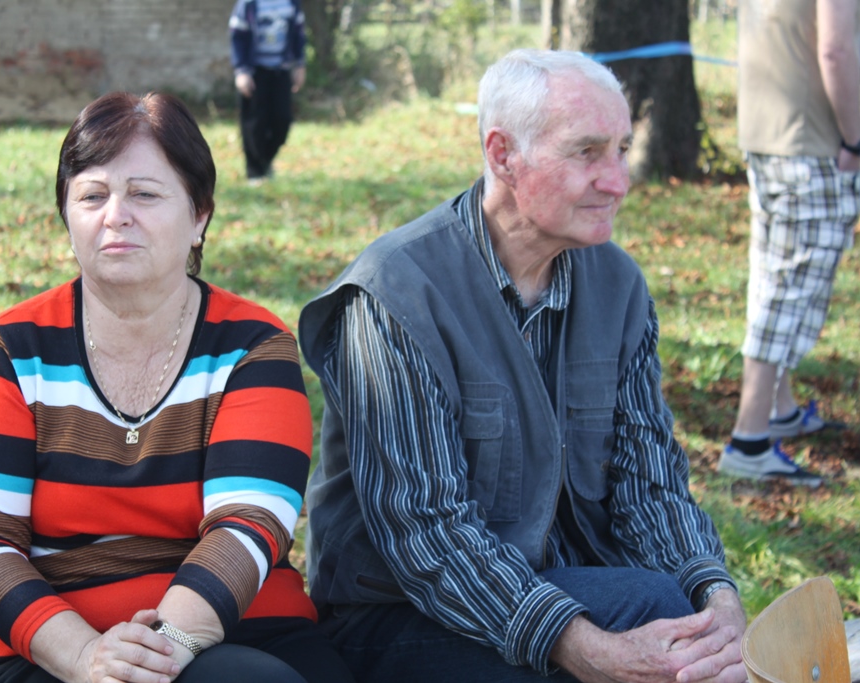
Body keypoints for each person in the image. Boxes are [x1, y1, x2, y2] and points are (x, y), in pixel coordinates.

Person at [298, 49, 747, 683]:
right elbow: (428, 536)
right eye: (587, 152)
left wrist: (715, 597)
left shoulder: (617, 285)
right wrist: (582, 646)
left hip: (567, 585)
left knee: (688, 627)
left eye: (621, 150)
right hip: (399, 617)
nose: (618, 181)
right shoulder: (395, 294)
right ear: (503, 154)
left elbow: (650, 485)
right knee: (652, 612)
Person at [0, 91, 354, 683]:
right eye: (92, 196)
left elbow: (250, 524)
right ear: (67, 217)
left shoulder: (254, 345)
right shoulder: (13, 347)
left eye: (144, 194)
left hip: (245, 632)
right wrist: (85, 657)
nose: (115, 215)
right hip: (51, 651)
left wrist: (155, 654)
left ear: (199, 215)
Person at [717, 0, 860, 487]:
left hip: (767, 132)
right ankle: (750, 439)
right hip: (815, 143)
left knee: (772, 280)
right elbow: (836, 50)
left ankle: (778, 411)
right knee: (790, 290)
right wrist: (856, 139)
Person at [229, 0, 307, 182]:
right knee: (254, 123)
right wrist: (241, 71)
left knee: (283, 120)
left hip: (281, 70)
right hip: (254, 72)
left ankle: (266, 161)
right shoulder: (248, 4)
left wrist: (300, 65)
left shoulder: (292, 3)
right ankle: (254, 171)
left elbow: (299, 34)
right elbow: (237, 36)